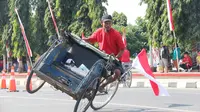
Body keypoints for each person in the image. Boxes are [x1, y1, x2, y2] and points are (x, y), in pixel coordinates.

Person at [83, 14, 125, 92]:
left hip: (113, 58)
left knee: (117, 73)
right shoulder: (99, 31)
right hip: (102, 56)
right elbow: (91, 39)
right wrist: (84, 39)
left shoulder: (116, 34)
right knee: (90, 68)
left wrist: (116, 57)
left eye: (109, 23)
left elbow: (122, 49)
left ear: (112, 23)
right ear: (101, 23)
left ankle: (102, 85)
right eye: (106, 23)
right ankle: (85, 87)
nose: (108, 25)